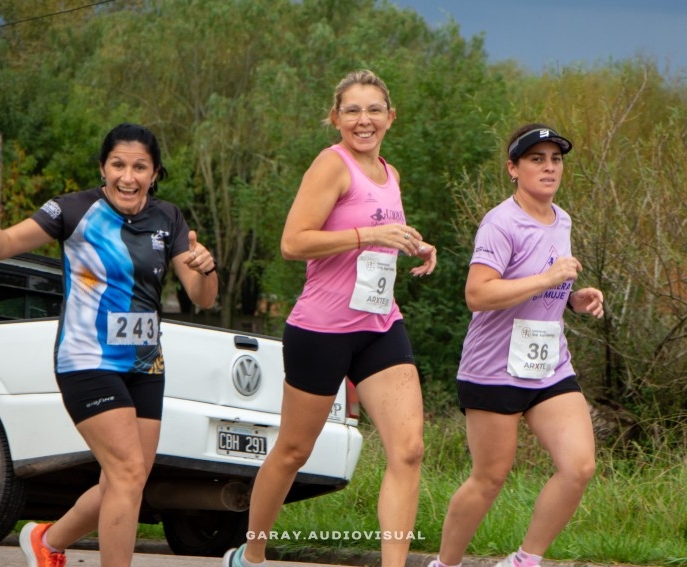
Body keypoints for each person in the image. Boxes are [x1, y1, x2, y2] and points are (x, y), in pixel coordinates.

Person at [0, 123, 218, 567]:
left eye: (140, 167)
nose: (128, 176)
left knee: (129, 479)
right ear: (103, 167)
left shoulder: (168, 218)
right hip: (86, 359)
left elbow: (201, 297)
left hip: (145, 364)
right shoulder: (73, 210)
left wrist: (206, 267)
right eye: (118, 164)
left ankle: (47, 540)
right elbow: (1, 247)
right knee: (128, 472)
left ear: (154, 173)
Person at [222, 69, 437, 567]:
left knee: (408, 449)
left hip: (380, 324)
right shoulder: (331, 164)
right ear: (336, 118)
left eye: (374, 109)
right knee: (294, 450)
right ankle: (250, 555)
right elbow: (294, 242)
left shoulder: (390, 172)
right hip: (322, 329)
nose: (365, 120)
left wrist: (412, 242)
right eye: (353, 111)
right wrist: (369, 236)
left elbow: (382, 232)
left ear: (391, 116)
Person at [428, 124, 604, 567]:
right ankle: (443, 564)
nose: (548, 168)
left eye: (555, 159)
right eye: (536, 159)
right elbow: (479, 294)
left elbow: (540, 289)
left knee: (579, 466)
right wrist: (548, 279)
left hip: (549, 365)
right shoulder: (500, 223)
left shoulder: (561, 218)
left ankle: (524, 560)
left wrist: (572, 299)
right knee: (489, 478)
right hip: (494, 369)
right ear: (513, 168)